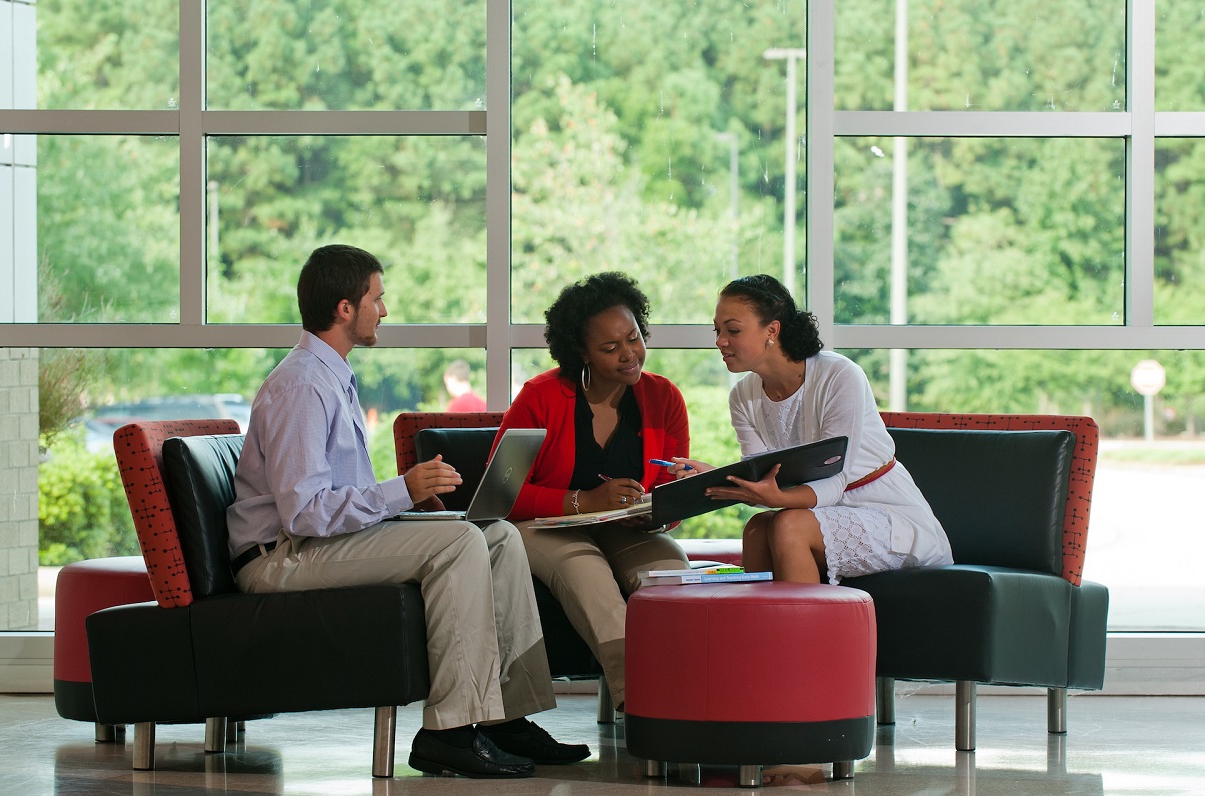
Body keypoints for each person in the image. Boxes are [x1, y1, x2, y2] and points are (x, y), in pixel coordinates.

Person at [226, 244, 589, 778]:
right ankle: (449, 731)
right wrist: (401, 490)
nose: (385, 310)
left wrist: (411, 503)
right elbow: (304, 513)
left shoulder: (331, 376)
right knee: (460, 542)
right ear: (345, 308)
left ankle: (505, 718)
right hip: (281, 557)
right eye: (378, 297)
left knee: (496, 536)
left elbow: (336, 500)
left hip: (314, 544)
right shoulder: (302, 385)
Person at [667, 274, 952, 584]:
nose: (720, 341)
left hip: (885, 512)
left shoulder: (840, 376)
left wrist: (770, 495)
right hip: (812, 511)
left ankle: (802, 633)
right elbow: (766, 481)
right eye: (717, 330)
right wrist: (720, 476)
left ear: (772, 330)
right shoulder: (742, 396)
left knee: (788, 525)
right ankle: (765, 633)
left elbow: (834, 483)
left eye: (732, 330)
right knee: (757, 529)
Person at [495, 272, 691, 709]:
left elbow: (670, 488)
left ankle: (692, 695)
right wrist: (584, 502)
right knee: (590, 579)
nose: (629, 355)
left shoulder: (664, 398)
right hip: (544, 526)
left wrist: (660, 510)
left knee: (672, 575)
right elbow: (501, 496)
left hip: (628, 528)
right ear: (580, 351)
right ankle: (646, 706)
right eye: (610, 348)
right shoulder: (540, 397)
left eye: (634, 338)